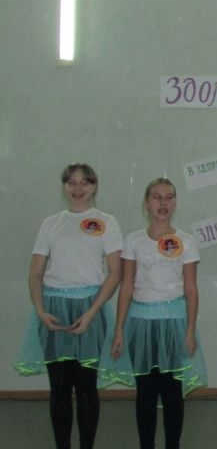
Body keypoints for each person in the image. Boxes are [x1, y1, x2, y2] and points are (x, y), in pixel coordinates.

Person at [15, 163, 123, 449]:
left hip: (91, 309)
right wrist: (40, 310)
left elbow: (115, 273)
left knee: (87, 388)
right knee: (60, 388)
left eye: (84, 182)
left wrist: (91, 312)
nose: (77, 188)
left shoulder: (107, 222)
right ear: (64, 186)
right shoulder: (51, 223)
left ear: (94, 186)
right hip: (54, 310)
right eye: (71, 182)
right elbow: (35, 272)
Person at [103, 177, 206, 449]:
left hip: (174, 324)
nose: (163, 203)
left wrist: (190, 330)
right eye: (157, 197)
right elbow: (127, 286)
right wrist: (119, 330)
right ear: (146, 203)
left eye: (169, 197)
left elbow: (191, 288)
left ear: (175, 203)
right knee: (146, 392)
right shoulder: (133, 240)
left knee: (172, 391)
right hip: (141, 324)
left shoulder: (186, 241)